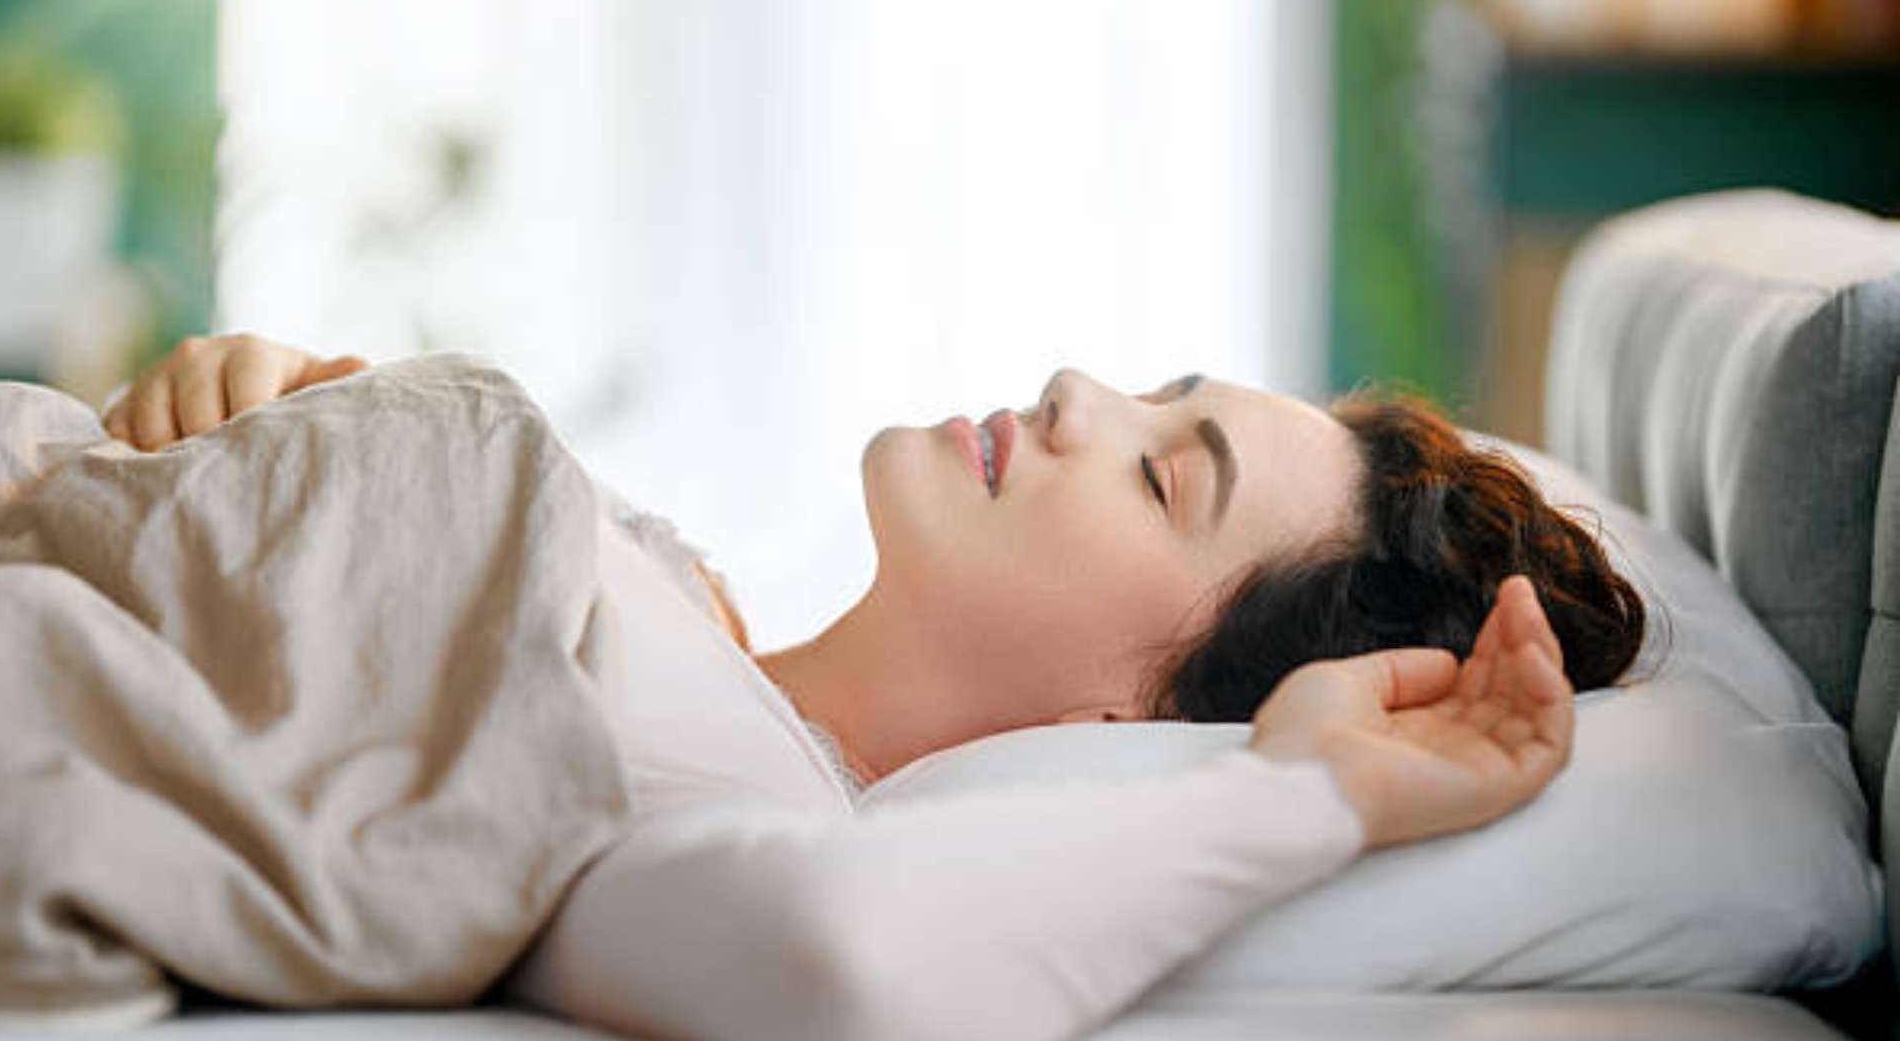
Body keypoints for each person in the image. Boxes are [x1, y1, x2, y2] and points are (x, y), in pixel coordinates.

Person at [101, 333, 1644, 1040]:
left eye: (1165, 478)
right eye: (1155, 390)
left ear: (1135, 727)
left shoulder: (745, 790)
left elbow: (843, 969)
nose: (1075, 394)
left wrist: (1310, 792)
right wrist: (247, 401)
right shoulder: (683, 608)